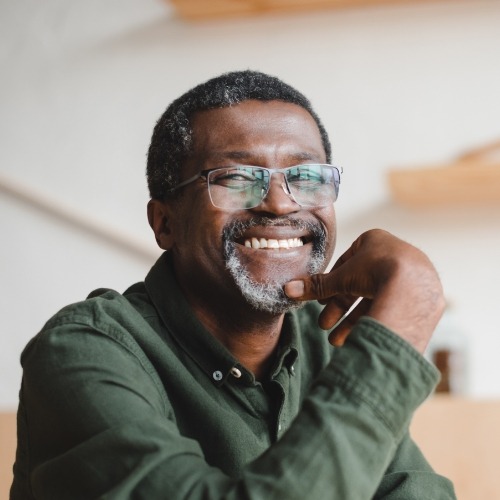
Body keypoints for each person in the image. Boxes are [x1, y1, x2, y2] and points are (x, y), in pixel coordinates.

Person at [11, 70, 456, 499]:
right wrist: (400, 325)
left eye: (306, 176)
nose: (281, 204)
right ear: (165, 223)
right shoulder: (82, 352)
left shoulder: (325, 341)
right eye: (237, 178)